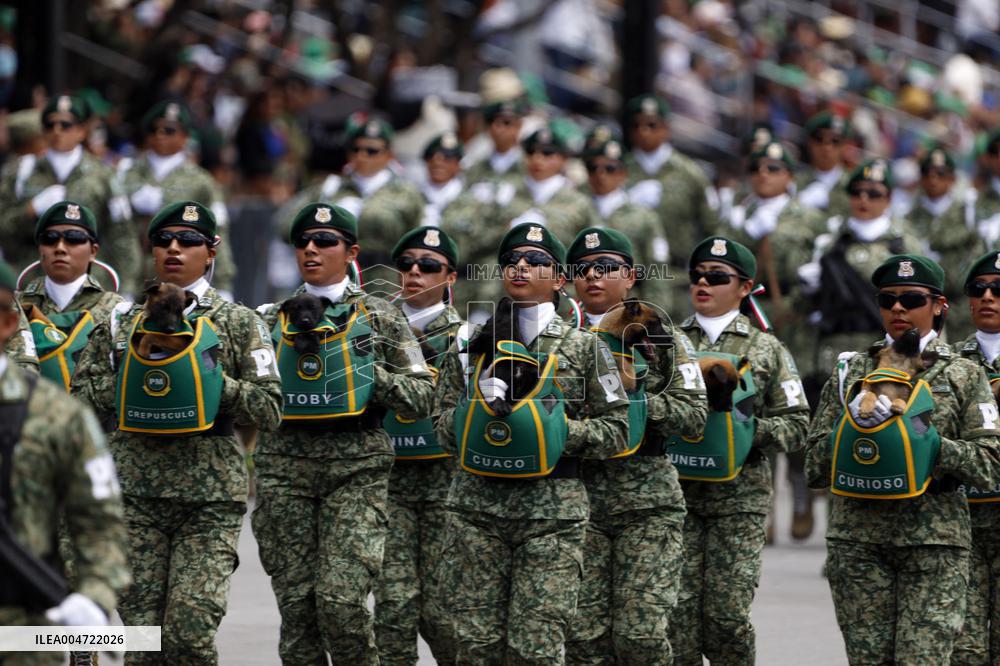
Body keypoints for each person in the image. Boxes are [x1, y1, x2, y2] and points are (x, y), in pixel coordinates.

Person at [71, 200, 283, 665]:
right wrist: (131, 380)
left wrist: (210, 383)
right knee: (144, 643)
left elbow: (270, 408)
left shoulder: (238, 322)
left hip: (207, 499)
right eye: (163, 240)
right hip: (135, 493)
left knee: (188, 633)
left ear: (211, 251)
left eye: (187, 241)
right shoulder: (121, 321)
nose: (173, 248)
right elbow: (81, 396)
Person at [432, 221, 631, 663]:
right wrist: (474, 415)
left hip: (552, 514)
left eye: (536, 261)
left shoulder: (583, 348)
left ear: (560, 279)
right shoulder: (470, 343)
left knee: (535, 649)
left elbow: (616, 428)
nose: (521, 267)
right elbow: (440, 421)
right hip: (475, 510)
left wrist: (552, 430)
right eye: (512, 261)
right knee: (476, 647)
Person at [252, 203, 435, 665]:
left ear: (350, 251)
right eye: (303, 242)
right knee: (299, 613)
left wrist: (367, 375)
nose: (311, 249)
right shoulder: (268, 318)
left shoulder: (379, 317)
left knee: (342, 604)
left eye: (325, 241)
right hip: (284, 470)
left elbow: (420, 396)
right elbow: (243, 399)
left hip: (356, 469)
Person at [805, 253, 1000, 664]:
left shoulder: (964, 373)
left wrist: (927, 443)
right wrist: (850, 427)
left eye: (911, 299)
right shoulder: (851, 371)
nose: (897, 308)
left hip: (933, 542)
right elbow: (814, 468)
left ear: (938, 306)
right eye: (887, 299)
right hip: (858, 542)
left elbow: (989, 463)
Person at [562, 226, 708, 664]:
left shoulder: (660, 336)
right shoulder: (557, 338)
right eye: (583, 269)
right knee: (584, 642)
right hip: (575, 501)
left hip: (647, 503)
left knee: (641, 635)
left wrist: (636, 402)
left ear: (630, 276)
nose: (594, 277)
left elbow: (694, 414)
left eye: (607, 268)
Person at [669, 236, 810, 665]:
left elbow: (798, 425)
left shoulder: (766, 349)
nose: (703, 284)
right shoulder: (668, 342)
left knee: (726, 616)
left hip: (739, 498)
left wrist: (743, 427)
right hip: (677, 496)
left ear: (746, 288)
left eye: (717, 277)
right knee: (677, 618)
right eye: (697, 276)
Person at [0, 257, 131, 666]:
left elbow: (101, 522)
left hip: (25, 626)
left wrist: (93, 597)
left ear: (7, 324)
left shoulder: (58, 417)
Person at [373, 226, 464, 666]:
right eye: (406, 265)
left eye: (428, 266)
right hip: (388, 480)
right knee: (393, 607)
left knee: (444, 614)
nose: (414, 273)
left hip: (445, 485)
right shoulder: (370, 327)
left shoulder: (467, 338)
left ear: (450, 278)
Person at [0, 94, 140, 295]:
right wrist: (30, 211)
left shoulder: (102, 174)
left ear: (81, 131)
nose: (57, 131)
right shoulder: (21, 171)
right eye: (50, 125)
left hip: (89, 286)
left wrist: (126, 289)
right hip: (31, 283)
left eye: (66, 125)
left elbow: (122, 235)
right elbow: (3, 229)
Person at [117, 100, 237, 298]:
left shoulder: (201, 181)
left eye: (169, 130)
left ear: (185, 136)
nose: (160, 135)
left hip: (177, 274)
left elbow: (218, 230)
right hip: (128, 270)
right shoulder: (126, 172)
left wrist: (223, 283)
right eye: (154, 129)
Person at [623, 93, 718, 310]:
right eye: (636, 125)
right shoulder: (618, 170)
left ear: (666, 128)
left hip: (678, 278)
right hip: (629, 279)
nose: (643, 131)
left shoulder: (690, 173)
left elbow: (711, 226)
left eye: (652, 125)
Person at [16, 201, 123, 392]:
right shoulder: (13, 306)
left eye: (74, 238)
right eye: (50, 238)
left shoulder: (116, 310)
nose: (60, 247)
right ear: (40, 249)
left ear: (93, 251)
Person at [952, 251, 1000, 664]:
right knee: (964, 649)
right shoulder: (946, 362)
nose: (988, 297)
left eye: (999, 290)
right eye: (979, 289)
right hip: (961, 517)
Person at [579, 127, 672, 311]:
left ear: (623, 173)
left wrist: (654, 317)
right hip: (581, 304)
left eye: (610, 168)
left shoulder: (643, 216)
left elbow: (657, 273)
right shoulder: (575, 207)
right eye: (593, 168)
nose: (601, 174)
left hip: (628, 305)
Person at [499, 123, 600, 243]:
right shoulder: (506, 192)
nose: (537, 159)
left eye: (547, 153)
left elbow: (594, 244)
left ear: (563, 159)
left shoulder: (579, 202)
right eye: (530, 152)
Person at [795, 111, 852, 218]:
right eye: (819, 139)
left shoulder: (853, 185)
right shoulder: (796, 182)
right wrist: (798, 203)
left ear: (844, 146)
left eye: (835, 141)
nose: (826, 147)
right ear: (809, 143)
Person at [464, 98, 526, 192]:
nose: (500, 129)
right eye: (494, 123)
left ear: (519, 126)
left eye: (507, 123)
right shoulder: (476, 167)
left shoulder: (528, 167)